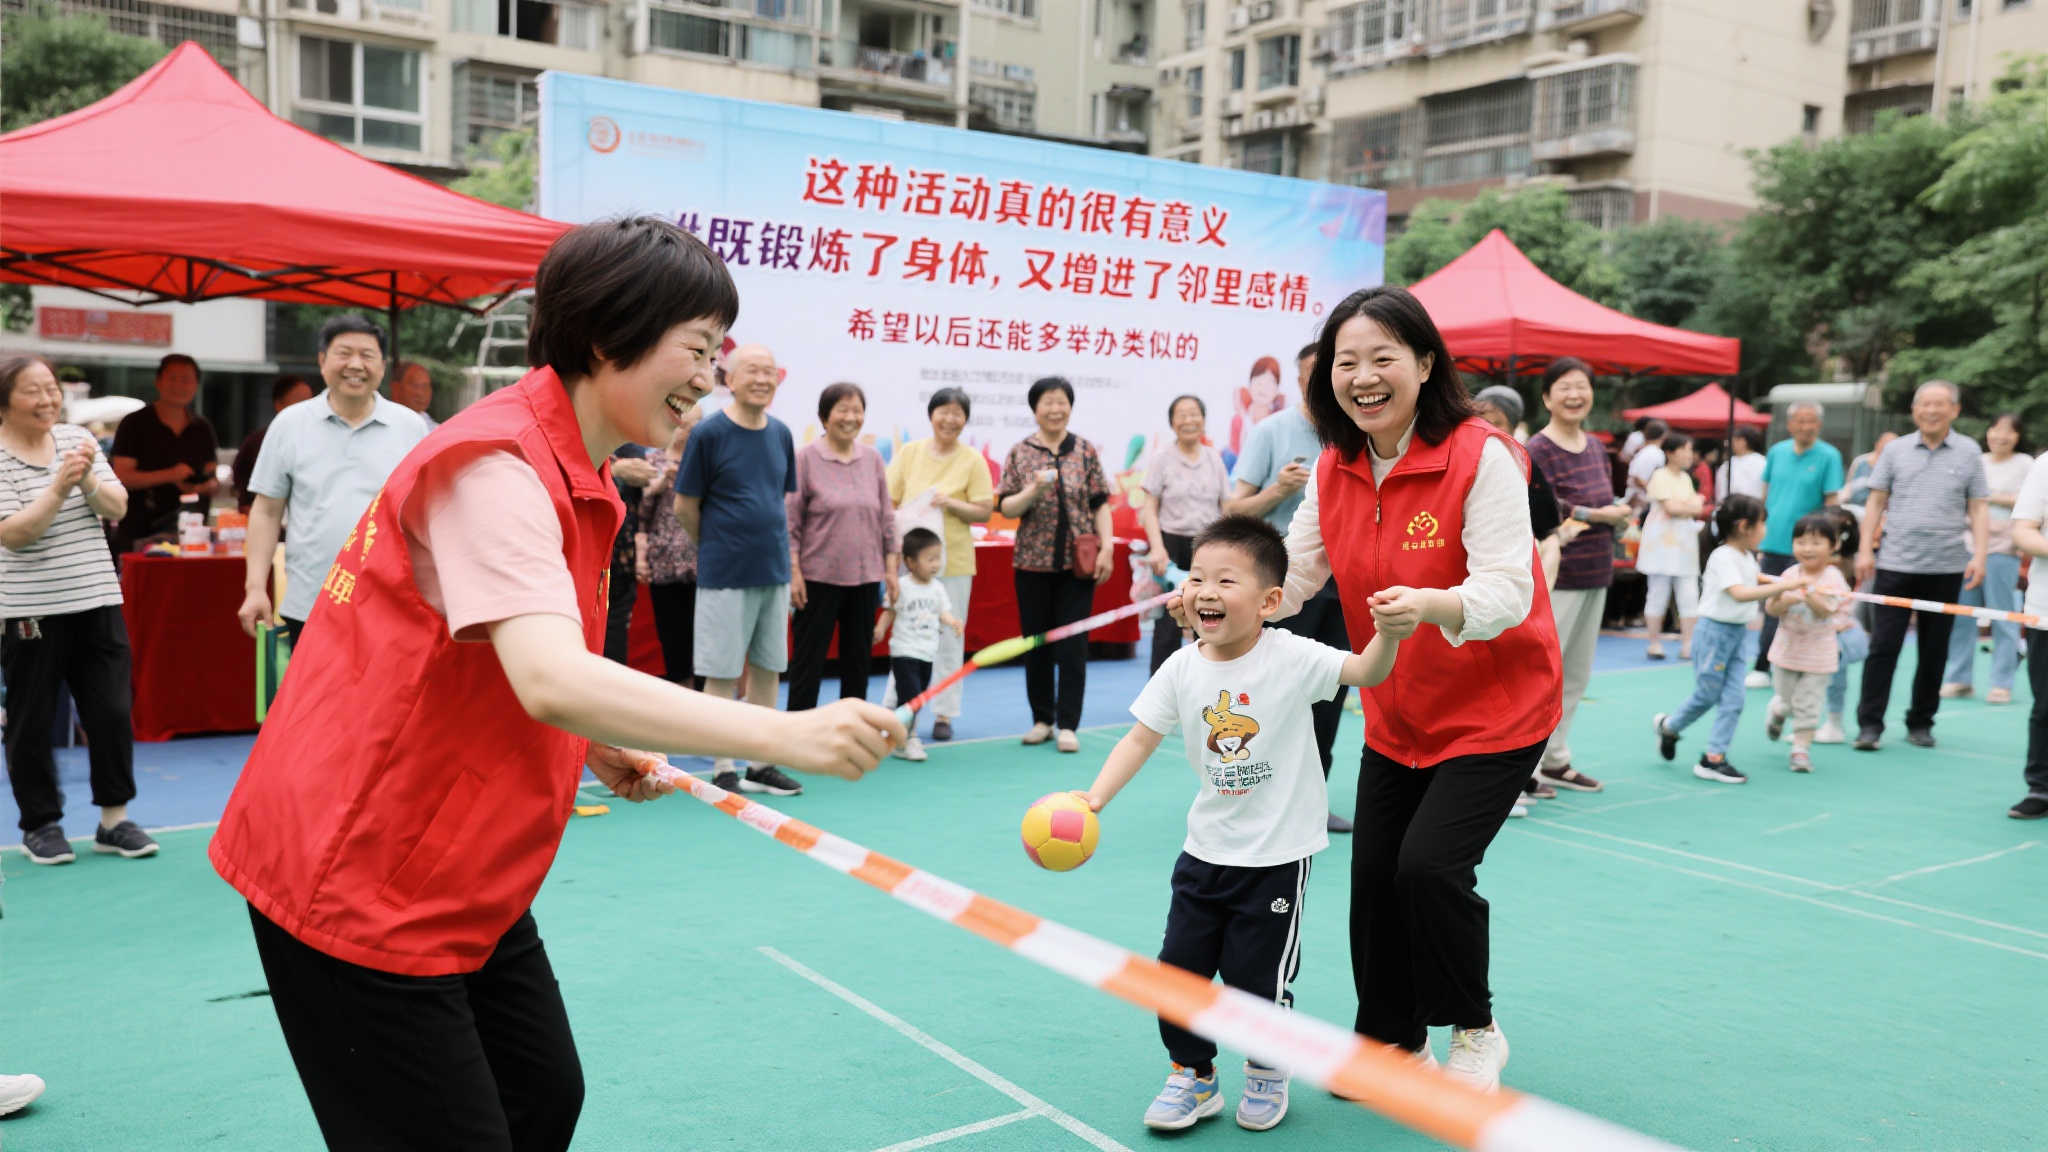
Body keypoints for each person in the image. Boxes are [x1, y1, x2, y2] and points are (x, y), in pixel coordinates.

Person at [208, 217, 905, 1152]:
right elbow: (546, 676)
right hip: (358, 874)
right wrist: (783, 733)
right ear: (606, 335)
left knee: (542, 1098)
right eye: (697, 349)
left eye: (718, 351)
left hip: (458, 862)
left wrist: (594, 734)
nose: (709, 376)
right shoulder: (494, 466)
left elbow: (510, 660)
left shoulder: (573, 471)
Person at [1186, 285, 1560, 1093]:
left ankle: (1475, 1029)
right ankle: (1391, 1040)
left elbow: (1509, 591)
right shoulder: (1334, 465)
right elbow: (1298, 571)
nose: (1363, 376)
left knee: (1428, 870)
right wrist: (1222, 596)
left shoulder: (1480, 455)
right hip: (1399, 707)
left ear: (1426, 365)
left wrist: (1432, 603)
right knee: (1374, 881)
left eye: (1383, 358)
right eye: (1346, 362)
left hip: (1500, 708)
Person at [1084, 515, 1399, 1131]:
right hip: (1204, 853)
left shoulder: (1291, 656)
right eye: (1197, 577)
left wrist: (1387, 634)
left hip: (1277, 857)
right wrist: (1094, 798)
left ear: (1270, 601)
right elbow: (1140, 738)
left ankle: (1265, 1066)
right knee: (1176, 972)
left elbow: (1366, 673)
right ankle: (1194, 1076)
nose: (1206, 591)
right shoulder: (1181, 667)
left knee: (1259, 979)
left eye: (1226, 580)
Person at [0, 355, 155, 864]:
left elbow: (117, 506)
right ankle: (41, 825)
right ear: (5, 401)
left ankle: (115, 819)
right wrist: (60, 487)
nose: (47, 399)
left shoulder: (77, 441)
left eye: (51, 389)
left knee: (110, 711)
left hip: (97, 598)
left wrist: (86, 480)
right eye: (32, 391)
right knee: (32, 718)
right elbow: (16, 534)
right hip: (29, 609)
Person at [237, 316, 429, 646]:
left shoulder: (410, 427)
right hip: (311, 604)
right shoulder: (289, 424)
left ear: (382, 366)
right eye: (344, 353)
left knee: (383, 698)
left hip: (391, 604)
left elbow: (425, 515)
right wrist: (255, 588)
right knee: (315, 699)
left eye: (367, 355)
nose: (356, 364)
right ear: (322, 360)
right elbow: (266, 511)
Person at [1228, 343, 1354, 832]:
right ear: (1300, 381)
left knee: (1329, 695)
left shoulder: (1355, 433)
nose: (1325, 381)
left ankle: (1311, 804)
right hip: (1280, 586)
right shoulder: (1271, 431)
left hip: (1343, 587)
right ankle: (1254, 800)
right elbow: (1235, 509)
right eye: (1314, 374)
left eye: (1335, 370)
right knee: (1272, 696)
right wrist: (1278, 490)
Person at [675, 342, 804, 796]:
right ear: (729, 378)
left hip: (772, 570)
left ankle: (760, 763)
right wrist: (714, 545)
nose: (763, 379)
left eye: (770, 371)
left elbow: (779, 501)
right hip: (725, 571)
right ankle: (722, 765)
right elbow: (685, 505)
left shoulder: (782, 434)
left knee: (769, 667)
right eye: (752, 370)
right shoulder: (708, 434)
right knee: (722, 671)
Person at [1853, 381, 1989, 750]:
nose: (1931, 411)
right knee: (1883, 646)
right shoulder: (1895, 450)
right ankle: (1870, 725)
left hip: (1946, 566)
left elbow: (1978, 506)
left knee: (1934, 649)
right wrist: (1866, 549)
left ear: (1954, 410)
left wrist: (1979, 554)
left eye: (1939, 404)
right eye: (1924, 404)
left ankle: (1921, 721)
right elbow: (1875, 501)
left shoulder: (1969, 451)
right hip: (1895, 563)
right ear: (1915, 410)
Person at [1524, 358, 1633, 796]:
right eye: (1564, 387)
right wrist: (1601, 515)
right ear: (1547, 397)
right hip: (1556, 577)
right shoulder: (1537, 449)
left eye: (1582, 387)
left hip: (1596, 571)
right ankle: (1524, 770)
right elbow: (1541, 509)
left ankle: (1556, 760)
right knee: (1542, 676)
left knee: (1576, 676)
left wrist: (1618, 519)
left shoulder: (1593, 446)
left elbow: (1602, 501)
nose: (1574, 395)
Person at [997, 377, 1115, 753]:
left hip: (1077, 566)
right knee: (1036, 645)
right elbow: (1006, 508)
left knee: (1073, 647)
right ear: (1035, 409)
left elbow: (1100, 504)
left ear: (1070, 406)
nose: (1054, 409)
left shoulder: (1084, 450)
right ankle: (1041, 720)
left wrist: (1108, 546)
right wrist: (1033, 490)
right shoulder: (1020, 452)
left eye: (1061, 401)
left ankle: (1068, 724)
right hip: (1031, 564)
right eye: (1047, 402)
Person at [883, 387, 995, 741]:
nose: (950, 419)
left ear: (965, 419)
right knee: (906, 634)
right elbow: (889, 500)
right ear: (931, 415)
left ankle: (945, 712)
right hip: (911, 562)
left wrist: (950, 504)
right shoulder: (910, 453)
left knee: (948, 636)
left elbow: (984, 510)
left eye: (958, 413)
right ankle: (896, 708)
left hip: (955, 560)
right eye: (943, 411)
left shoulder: (972, 459)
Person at [1651, 495, 1780, 784]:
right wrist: (1787, 585)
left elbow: (1755, 581)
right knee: (1707, 695)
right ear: (1745, 526)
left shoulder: (1747, 556)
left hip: (1737, 634)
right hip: (1714, 634)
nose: (1765, 530)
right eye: (1763, 524)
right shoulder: (1723, 557)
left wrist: (1792, 585)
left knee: (1734, 699)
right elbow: (1739, 592)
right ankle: (1670, 727)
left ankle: (1713, 758)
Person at [787, 382, 898, 714]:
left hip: (865, 579)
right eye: (842, 409)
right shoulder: (805, 457)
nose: (851, 417)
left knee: (858, 663)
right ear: (824, 416)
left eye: (857, 410)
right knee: (809, 662)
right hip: (817, 578)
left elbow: (886, 518)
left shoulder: (872, 458)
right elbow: (790, 522)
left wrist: (891, 570)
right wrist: (794, 573)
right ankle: (798, 733)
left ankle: (853, 728)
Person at [1750, 402, 1843, 687]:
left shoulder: (1829, 455)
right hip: (1774, 542)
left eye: (1811, 421)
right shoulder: (1777, 452)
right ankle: (1763, 665)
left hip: (1809, 548)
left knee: (1811, 605)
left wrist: (1830, 545)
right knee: (1773, 603)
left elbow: (1832, 504)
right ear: (1790, 425)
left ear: (1819, 424)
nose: (1806, 427)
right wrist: (1759, 538)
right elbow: (1765, 496)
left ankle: (1813, 665)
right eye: (1800, 421)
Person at [1941, 413, 2028, 703]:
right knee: (1962, 616)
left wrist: (1987, 496)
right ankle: (1958, 678)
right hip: (1966, 548)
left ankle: (2001, 682)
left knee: (2003, 617)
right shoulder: (1976, 461)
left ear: (2017, 436)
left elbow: (2027, 499)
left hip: (2003, 549)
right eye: (1995, 429)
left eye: (2008, 431)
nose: (2000, 436)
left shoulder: (2026, 464)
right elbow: (1964, 497)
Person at [1141, 394, 1228, 673]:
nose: (1189, 420)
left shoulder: (1213, 458)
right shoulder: (1161, 459)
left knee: (1210, 620)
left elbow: (1226, 507)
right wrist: (1157, 548)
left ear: (1203, 420)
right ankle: (1160, 697)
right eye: (1182, 415)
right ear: (1172, 422)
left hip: (1208, 549)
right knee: (1167, 626)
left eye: (1195, 414)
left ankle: (1207, 688)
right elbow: (1149, 507)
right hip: (1170, 548)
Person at [1762, 514, 1852, 773]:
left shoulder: (1834, 577)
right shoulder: (1789, 574)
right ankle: (1779, 711)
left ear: (1833, 546)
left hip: (1819, 653)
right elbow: (1772, 607)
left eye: (1815, 543)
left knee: (1809, 703)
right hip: (1787, 650)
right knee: (1787, 700)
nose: (1807, 549)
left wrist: (1807, 592)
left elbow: (1827, 610)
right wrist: (1789, 596)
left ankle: (1800, 750)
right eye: (1800, 542)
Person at [109, 352, 219, 554]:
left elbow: (213, 479)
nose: (179, 386)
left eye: (186, 380)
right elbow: (121, 476)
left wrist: (199, 486)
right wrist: (170, 475)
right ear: (158, 382)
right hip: (139, 533)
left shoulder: (203, 429)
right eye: (173, 379)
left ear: (196, 385)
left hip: (190, 536)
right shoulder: (134, 424)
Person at [874, 527, 961, 763]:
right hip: (904, 650)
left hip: (927, 653)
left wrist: (952, 621)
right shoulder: (902, 586)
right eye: (930, 559)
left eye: (938, 558)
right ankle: (906, 739)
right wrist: (881, 628)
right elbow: (890, 611)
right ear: (910, 562)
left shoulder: (937, 588)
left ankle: (890, 724)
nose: (936, 564)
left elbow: (943, 612)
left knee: (915, 696)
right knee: (911, 697)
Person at [636, 409, 701, 687]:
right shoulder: (653, 461)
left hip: (702, 561)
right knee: (672, 637)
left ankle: (708, 702)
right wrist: (662, 481)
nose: (688, 428)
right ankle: (682, 701)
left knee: (704, 637)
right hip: (663, 561)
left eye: (695, 423)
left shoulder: (703, 463)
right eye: (686, 422)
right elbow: (641, 513)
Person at [2005, 448, 2048, 819]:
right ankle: (2041, 787)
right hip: (2046, 612)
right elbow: (2023, 530)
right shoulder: (2046, 465)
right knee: (2047, 704)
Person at [1639, 433, 1703, 661]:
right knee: (1658, 592)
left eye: (1690, 449)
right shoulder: (1660, 476)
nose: (1689, 455)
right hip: (1661, 544)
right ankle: (1654, 642)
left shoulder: (1685, 478)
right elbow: (1673, 508)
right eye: (1684, 449)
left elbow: (1695, 505)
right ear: (1670, 453)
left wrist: (1688, 506)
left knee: (1689, 594)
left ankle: (1688, 643)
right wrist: (1690, 506)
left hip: (1684, 543)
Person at [1816, 506, 1870, 744]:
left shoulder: (1845, 568)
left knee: (1834, 673)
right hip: (1815, 634)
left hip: (1842, 634)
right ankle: (1802, 721)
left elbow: (1842, 610)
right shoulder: (1801, 569)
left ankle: (1833, 723)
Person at [602, 443, 659, 663]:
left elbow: (646, 478)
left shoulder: (631, 448)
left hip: (621, 561)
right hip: (583, 558)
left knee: (614, 636)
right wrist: (615, 470)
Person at [233, 375, 314, 511]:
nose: (308, 409)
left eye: (311, 402)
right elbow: (242, 486)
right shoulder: (259, 442)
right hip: (264, 517)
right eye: (300, 403)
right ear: (279, 405)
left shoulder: (317, 441)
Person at [1228, 355, 1286, 458]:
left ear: (1277, 389)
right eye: (1259, 382)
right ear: (1250, 385)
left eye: (1269, 383)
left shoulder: (1280, 422)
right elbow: (1234, 454)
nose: (1262, 388)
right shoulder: (1239, 420)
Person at [1842, 430, 1897, 510]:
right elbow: (1848, 486)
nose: (1890, 446)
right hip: (1856, 507)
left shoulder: (1895, 466)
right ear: (1877, 444)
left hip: (1883, 511)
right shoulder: (1860, 461)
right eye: (1886, 442)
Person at [1623, 418, 1668, 511]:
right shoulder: (1654, 452)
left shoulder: (1646, 451)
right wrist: (1657, 493)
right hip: (1640, 500)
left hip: (1637, 497)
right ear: (1663, 435)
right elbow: (1639, 479)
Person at [1717, 426, 1766, 502]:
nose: (1731, 443)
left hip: (1753, 508)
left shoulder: (1762, 463)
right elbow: (1721, 492)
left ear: (1744, 441)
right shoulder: (1726, 465)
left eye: (1735, 439)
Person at [389, 360, 438, 430]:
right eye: (415, 385)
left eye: (425, 386)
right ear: (396, 388)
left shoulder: (437, 431)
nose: (420, 393)